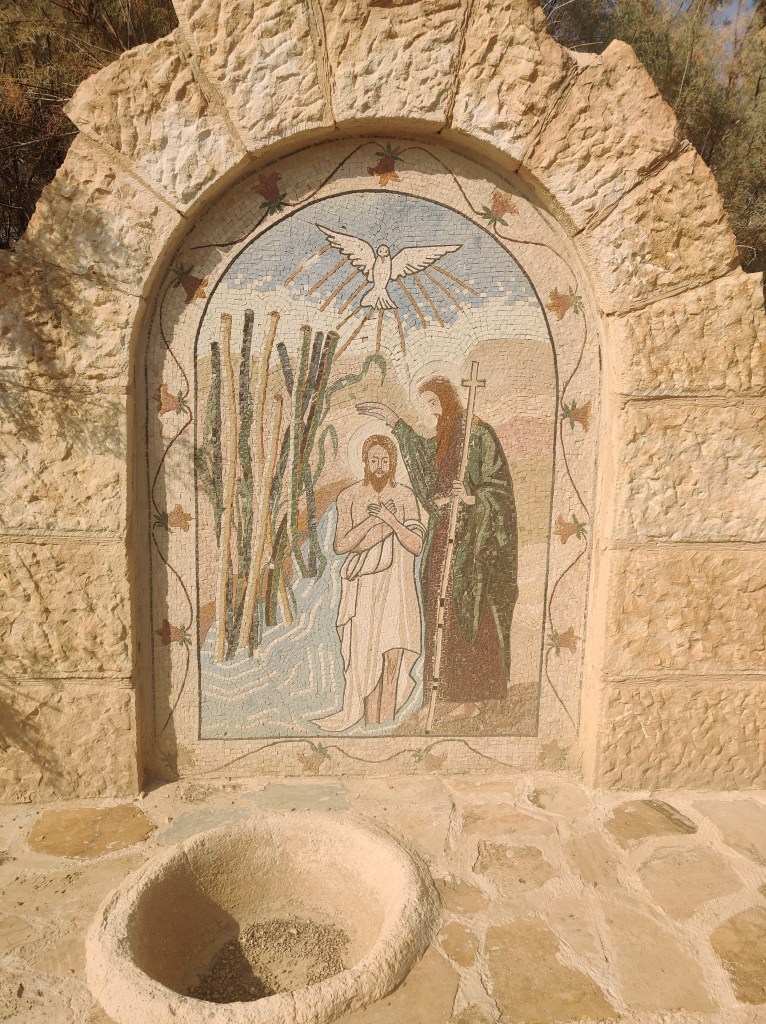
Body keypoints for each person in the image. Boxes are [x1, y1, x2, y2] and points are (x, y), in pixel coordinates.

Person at [357, 377, 517, 718]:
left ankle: (470, 698)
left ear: (447, 399)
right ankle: (442, 694)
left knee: (464, 609)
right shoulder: (447, 436)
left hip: (471, 542)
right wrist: (395, 422)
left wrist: (472, 498)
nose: (431, 410)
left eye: (434, 403)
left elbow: (500, 490)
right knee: (437, 607)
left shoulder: (479, 434)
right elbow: (424, 458)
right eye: (427, 404)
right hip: (443, 534)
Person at [313, 435, 425, 732]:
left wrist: (390, 519)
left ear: (393, 463)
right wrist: (373, 522)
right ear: (364, 462)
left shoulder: (405, 497)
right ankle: (371, 724)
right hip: (363, 587)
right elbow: (340, 545)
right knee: (367, 659)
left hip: (397, 586)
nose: (379, 466)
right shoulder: (349, 497)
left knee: (393, 656)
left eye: (385, 461)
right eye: (374, 460)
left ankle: (385, 723)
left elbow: (416, 545)